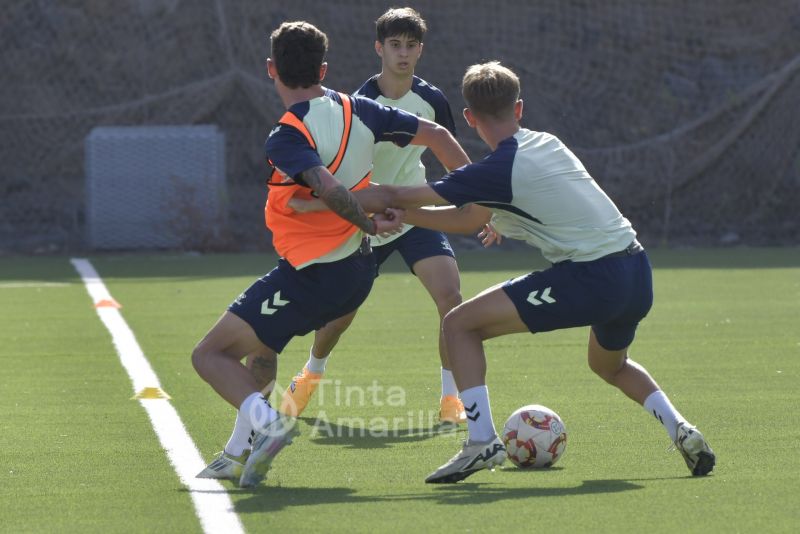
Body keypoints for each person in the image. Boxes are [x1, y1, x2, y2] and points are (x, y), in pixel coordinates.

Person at [316, 61, 716, 483]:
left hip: (594, 277)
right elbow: (475, 219)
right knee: (610, 365)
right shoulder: (547, 143)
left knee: (459, 325)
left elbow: (398, 194)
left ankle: (480, 440)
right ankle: (681, 429)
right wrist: (416, 218)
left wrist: (325, 197)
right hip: (637, 272)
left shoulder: (494, 171)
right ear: (519, 109)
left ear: (469, 118)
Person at [191, 21, 469, 488]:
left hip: (316, 274)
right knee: (262, 344)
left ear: (270, 69)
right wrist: (479, 197)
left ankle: (270, 423)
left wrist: (367, 221)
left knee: (210, 355)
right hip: (350, 267)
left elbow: (329, 188)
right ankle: (238, 452)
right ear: (323, 68)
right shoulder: (357, 106)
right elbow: (439, 136)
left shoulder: (286, 135)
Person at [279, 7, 468, 425]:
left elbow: (449, 153)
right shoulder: (361, 102)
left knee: (451, 300)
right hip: (369, 217)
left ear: (420, 50)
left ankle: (451, 399)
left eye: (411, 45)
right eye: (395, 45)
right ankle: (311, 372)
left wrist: (477, 204)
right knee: (340, 316)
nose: (403, 53)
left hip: (415, 217)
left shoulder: (433, 100)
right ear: (378, 48)